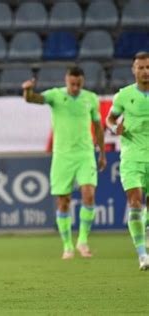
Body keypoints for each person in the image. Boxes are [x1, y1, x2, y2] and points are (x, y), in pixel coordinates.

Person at [22, 66, 106, 259]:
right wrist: (27, 90)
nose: (75, 87)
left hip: (85, 153)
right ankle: (67, 245)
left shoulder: (91, 98)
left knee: (89, 194)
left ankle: (83, 241)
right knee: (63, 201)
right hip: (62, 155)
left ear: (83, 82)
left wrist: (101, 153)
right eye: (72, 83)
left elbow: (98, 127)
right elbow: (33, 99)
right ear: (66, 80)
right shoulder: (55, 95)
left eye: (78, 84)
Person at [106, 51, 149, 271]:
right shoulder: (123, 96)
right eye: (140, 67)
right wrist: (115, 128)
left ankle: (146, 231)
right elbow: (110, 118)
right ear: (134, 70)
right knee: (135, 200)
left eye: (148, 67)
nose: (145, 71)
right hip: (132, 157)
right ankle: (142, 254)